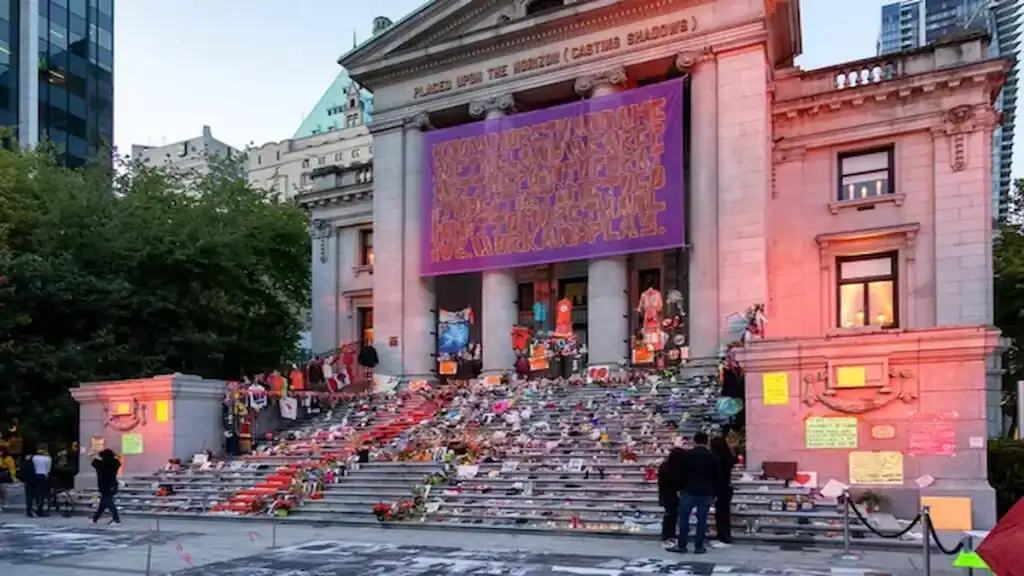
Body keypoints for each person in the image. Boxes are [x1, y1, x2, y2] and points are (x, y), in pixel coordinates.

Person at [673, 431, 719, 554]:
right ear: (706, 442)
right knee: (702, 520)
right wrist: (715, 492)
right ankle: (699, 546)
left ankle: (682, 545)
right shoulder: (713, 457)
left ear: (694, 441)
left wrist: (678, 488)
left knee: (684, 519)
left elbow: (679, 474)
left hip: (688, 490)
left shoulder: (687, 456)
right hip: (707, 492)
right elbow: (718, 476)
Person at [709, 435, 738, 547]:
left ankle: (724, 537)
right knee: (723, 513)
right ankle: (724, 535)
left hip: (720, 488)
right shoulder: (728, 457)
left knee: (721, 513)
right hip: (727, 487)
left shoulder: (716, 459)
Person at [658, 447, 685, 549]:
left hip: (666, 494)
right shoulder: (678, 468)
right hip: (673, 494)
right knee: (671, 516)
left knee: (669, 516)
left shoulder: (665, 466)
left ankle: (668, 535)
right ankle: (669, 535)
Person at [90, 449, 121, 525]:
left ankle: (116, 519)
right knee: (103, 503)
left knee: (109, 503)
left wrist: (96, 452)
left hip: (104, 486)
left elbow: (88, 457)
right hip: (113, 485)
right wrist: (114, 453)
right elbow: (119, 457)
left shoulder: (100, 464)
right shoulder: (115, 462)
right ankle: (95, 519)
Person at [30, 446, 52, 517]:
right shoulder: (47, 458)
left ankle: (34, 507)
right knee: (42, 493)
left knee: (36, 492)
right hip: (43, 476)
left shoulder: (34, 458)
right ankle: (40, 509)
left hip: (35, 475)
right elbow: (48, 469)